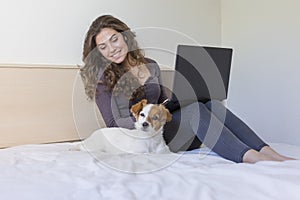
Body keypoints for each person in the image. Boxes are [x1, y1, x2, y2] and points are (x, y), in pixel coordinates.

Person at [80, 15, 294, 163]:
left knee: (210, 104)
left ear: (125, 36)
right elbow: (112, 124)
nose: (112, 49)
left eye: (114, 39)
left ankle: (269, 152)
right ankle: (251, 158)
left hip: (168, 131)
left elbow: (164, 100)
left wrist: (178, 101)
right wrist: (152, 118)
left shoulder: (151, 65)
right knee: (197, 111)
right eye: (103, 47)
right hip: (146, 140)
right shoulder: (102, 80)